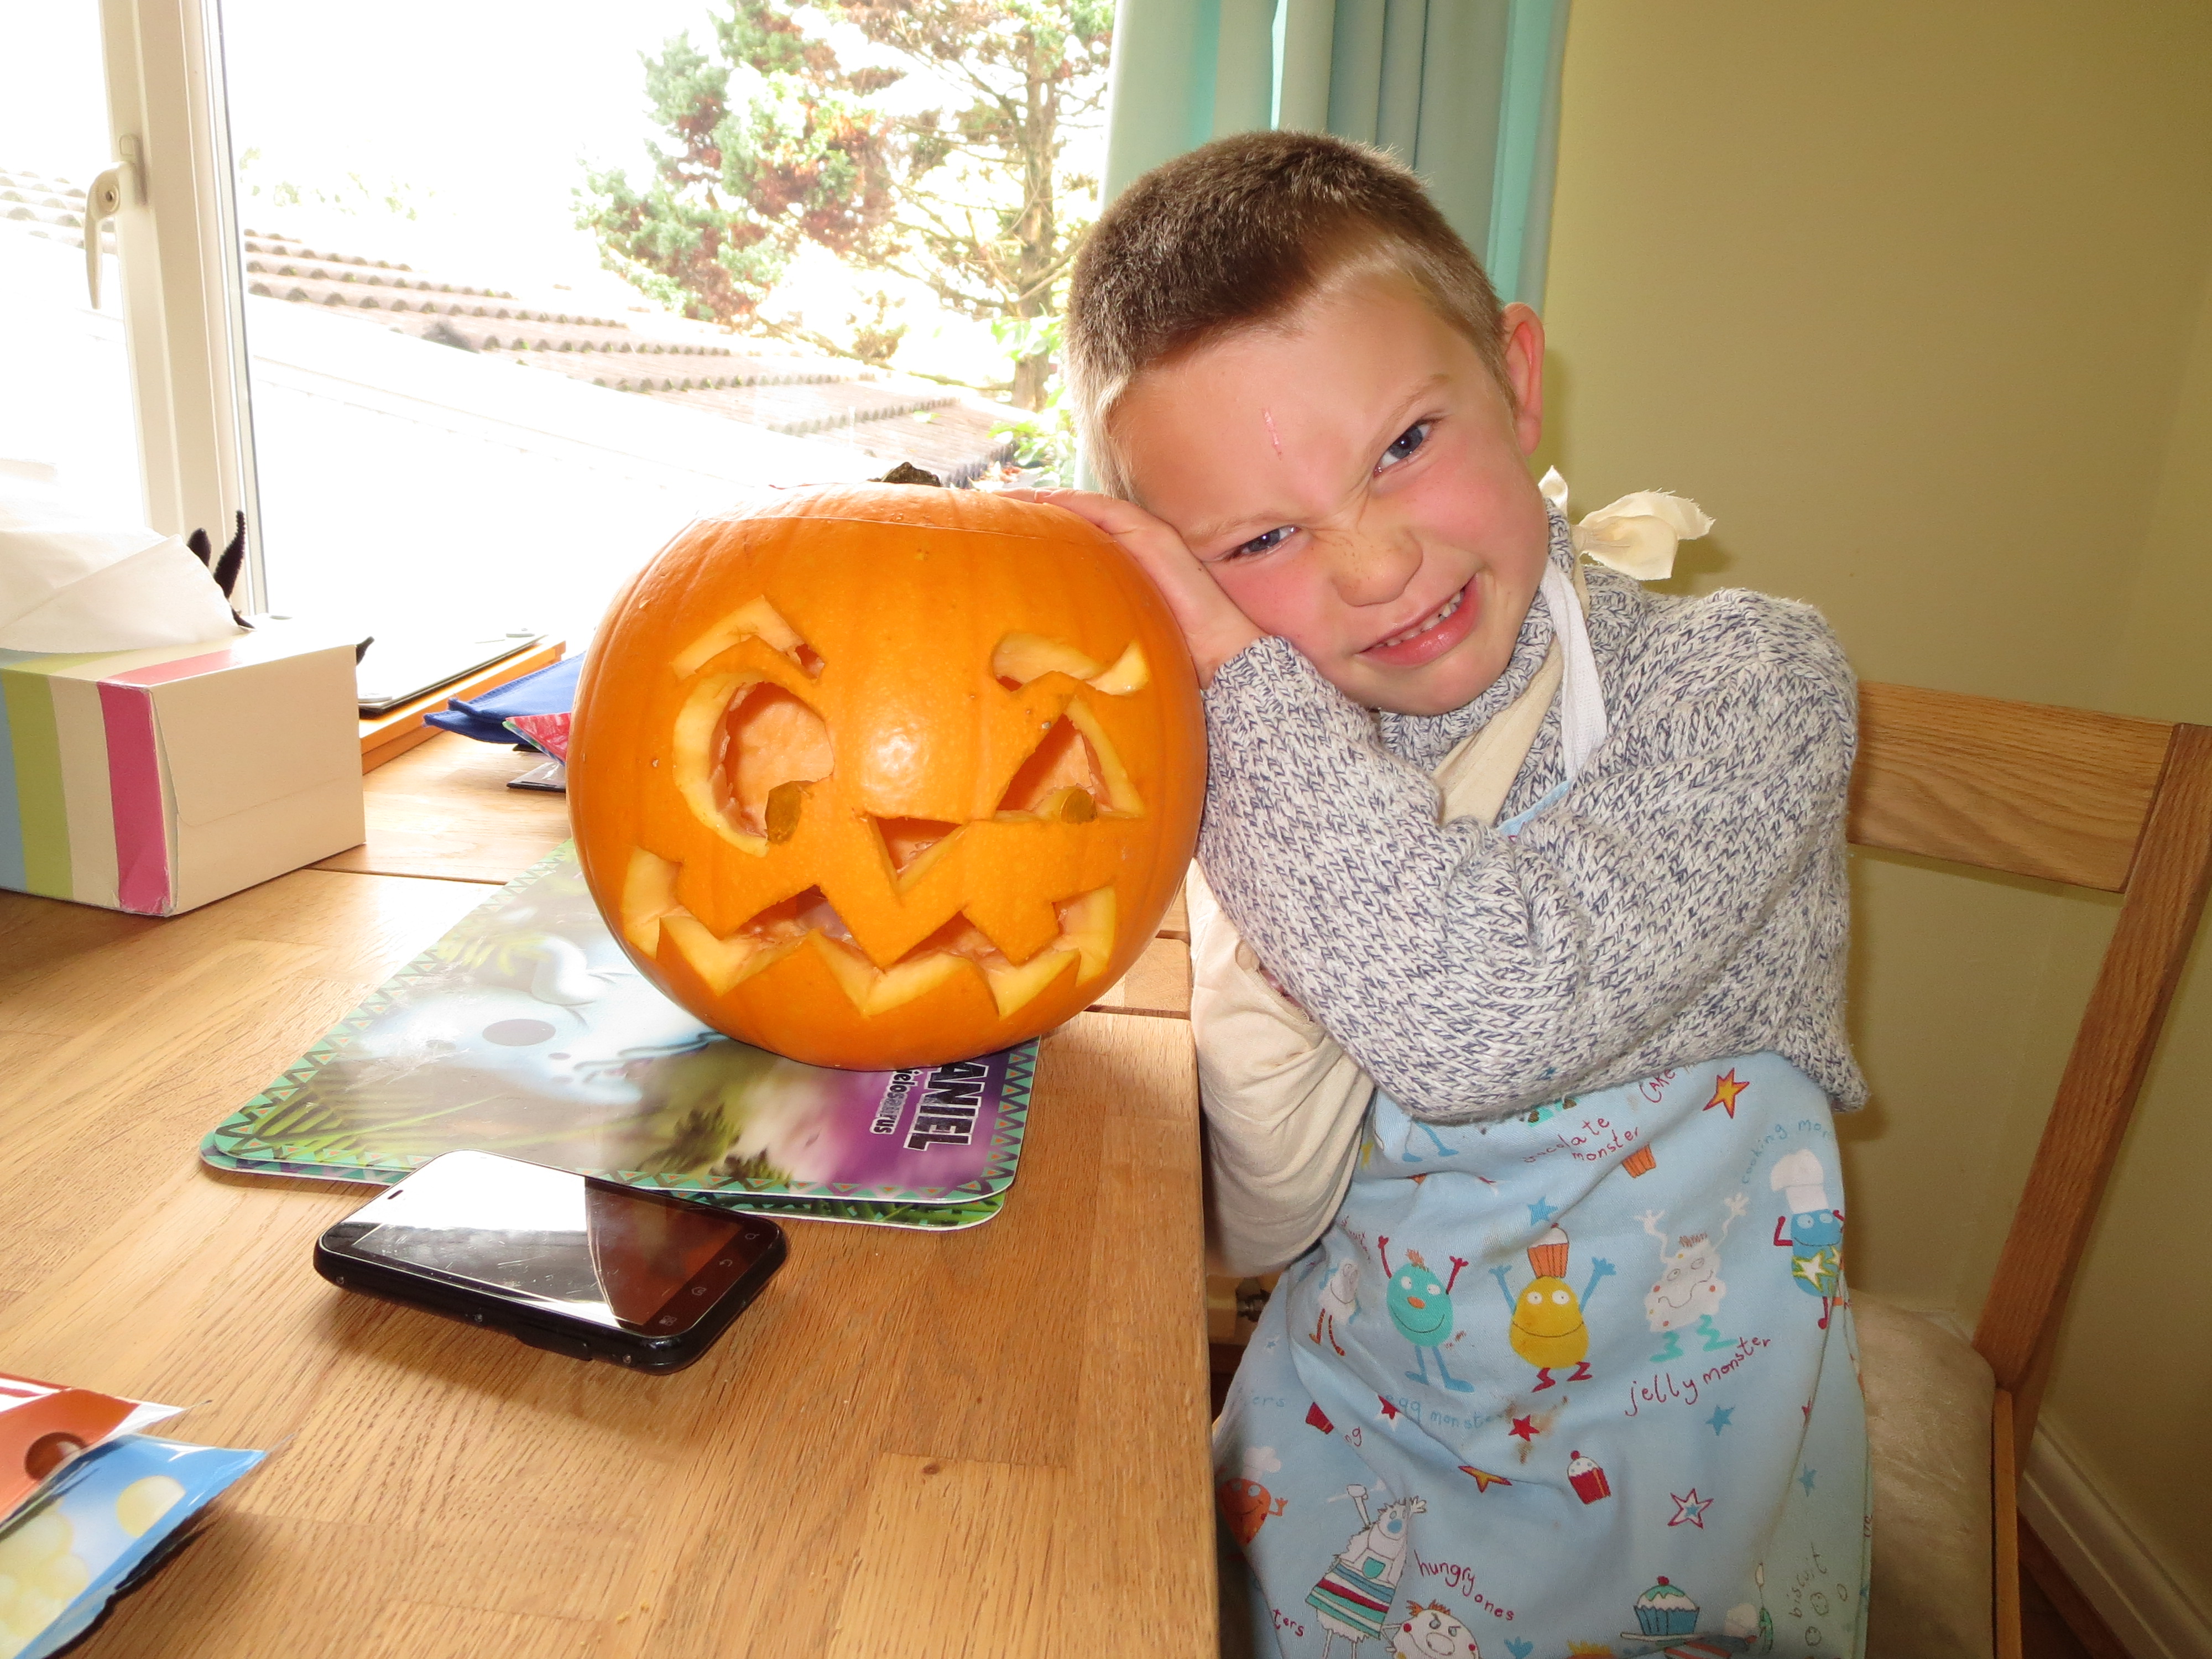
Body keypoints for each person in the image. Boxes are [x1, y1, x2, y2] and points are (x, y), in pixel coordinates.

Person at [1016, 131, 1870, 1655]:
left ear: (1518, 379)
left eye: (1404, 444)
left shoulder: (1751, 684)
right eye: (1260, 539)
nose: (1373, 563)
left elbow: (1483, 1017)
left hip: (1671, 1492)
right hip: (1348, 1421)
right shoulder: (1262, 749)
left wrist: (1237, 680)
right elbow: (1251, 1212)